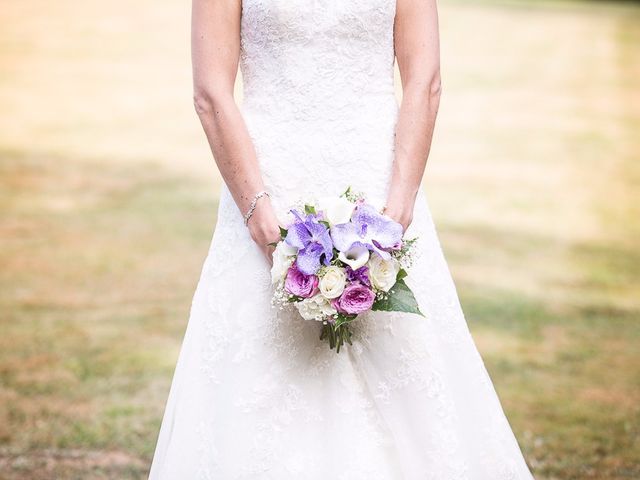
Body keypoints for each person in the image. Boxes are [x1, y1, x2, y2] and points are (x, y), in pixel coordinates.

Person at [149, 0, 536, 478]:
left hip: (379, 197)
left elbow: (425, 81)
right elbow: (210, 92)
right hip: (268, 186)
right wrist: (259, 217)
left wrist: (399, 206)